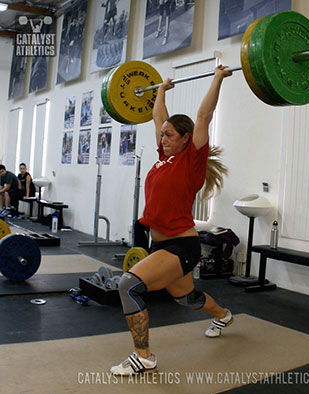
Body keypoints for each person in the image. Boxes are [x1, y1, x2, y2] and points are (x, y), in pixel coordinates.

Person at [110, 65, 232, 376]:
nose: (163, 139)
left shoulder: (191, 162)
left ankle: (144, 356)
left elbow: (204, 116)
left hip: (180, 246)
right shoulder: (164, 161)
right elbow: (157, 116)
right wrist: (161, 90)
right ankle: (224, 316)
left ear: (185, 138)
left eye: (169, 135)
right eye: (162, 135)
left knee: (128, 286)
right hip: (159, 245)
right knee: (188, 299)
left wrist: (217, 79)